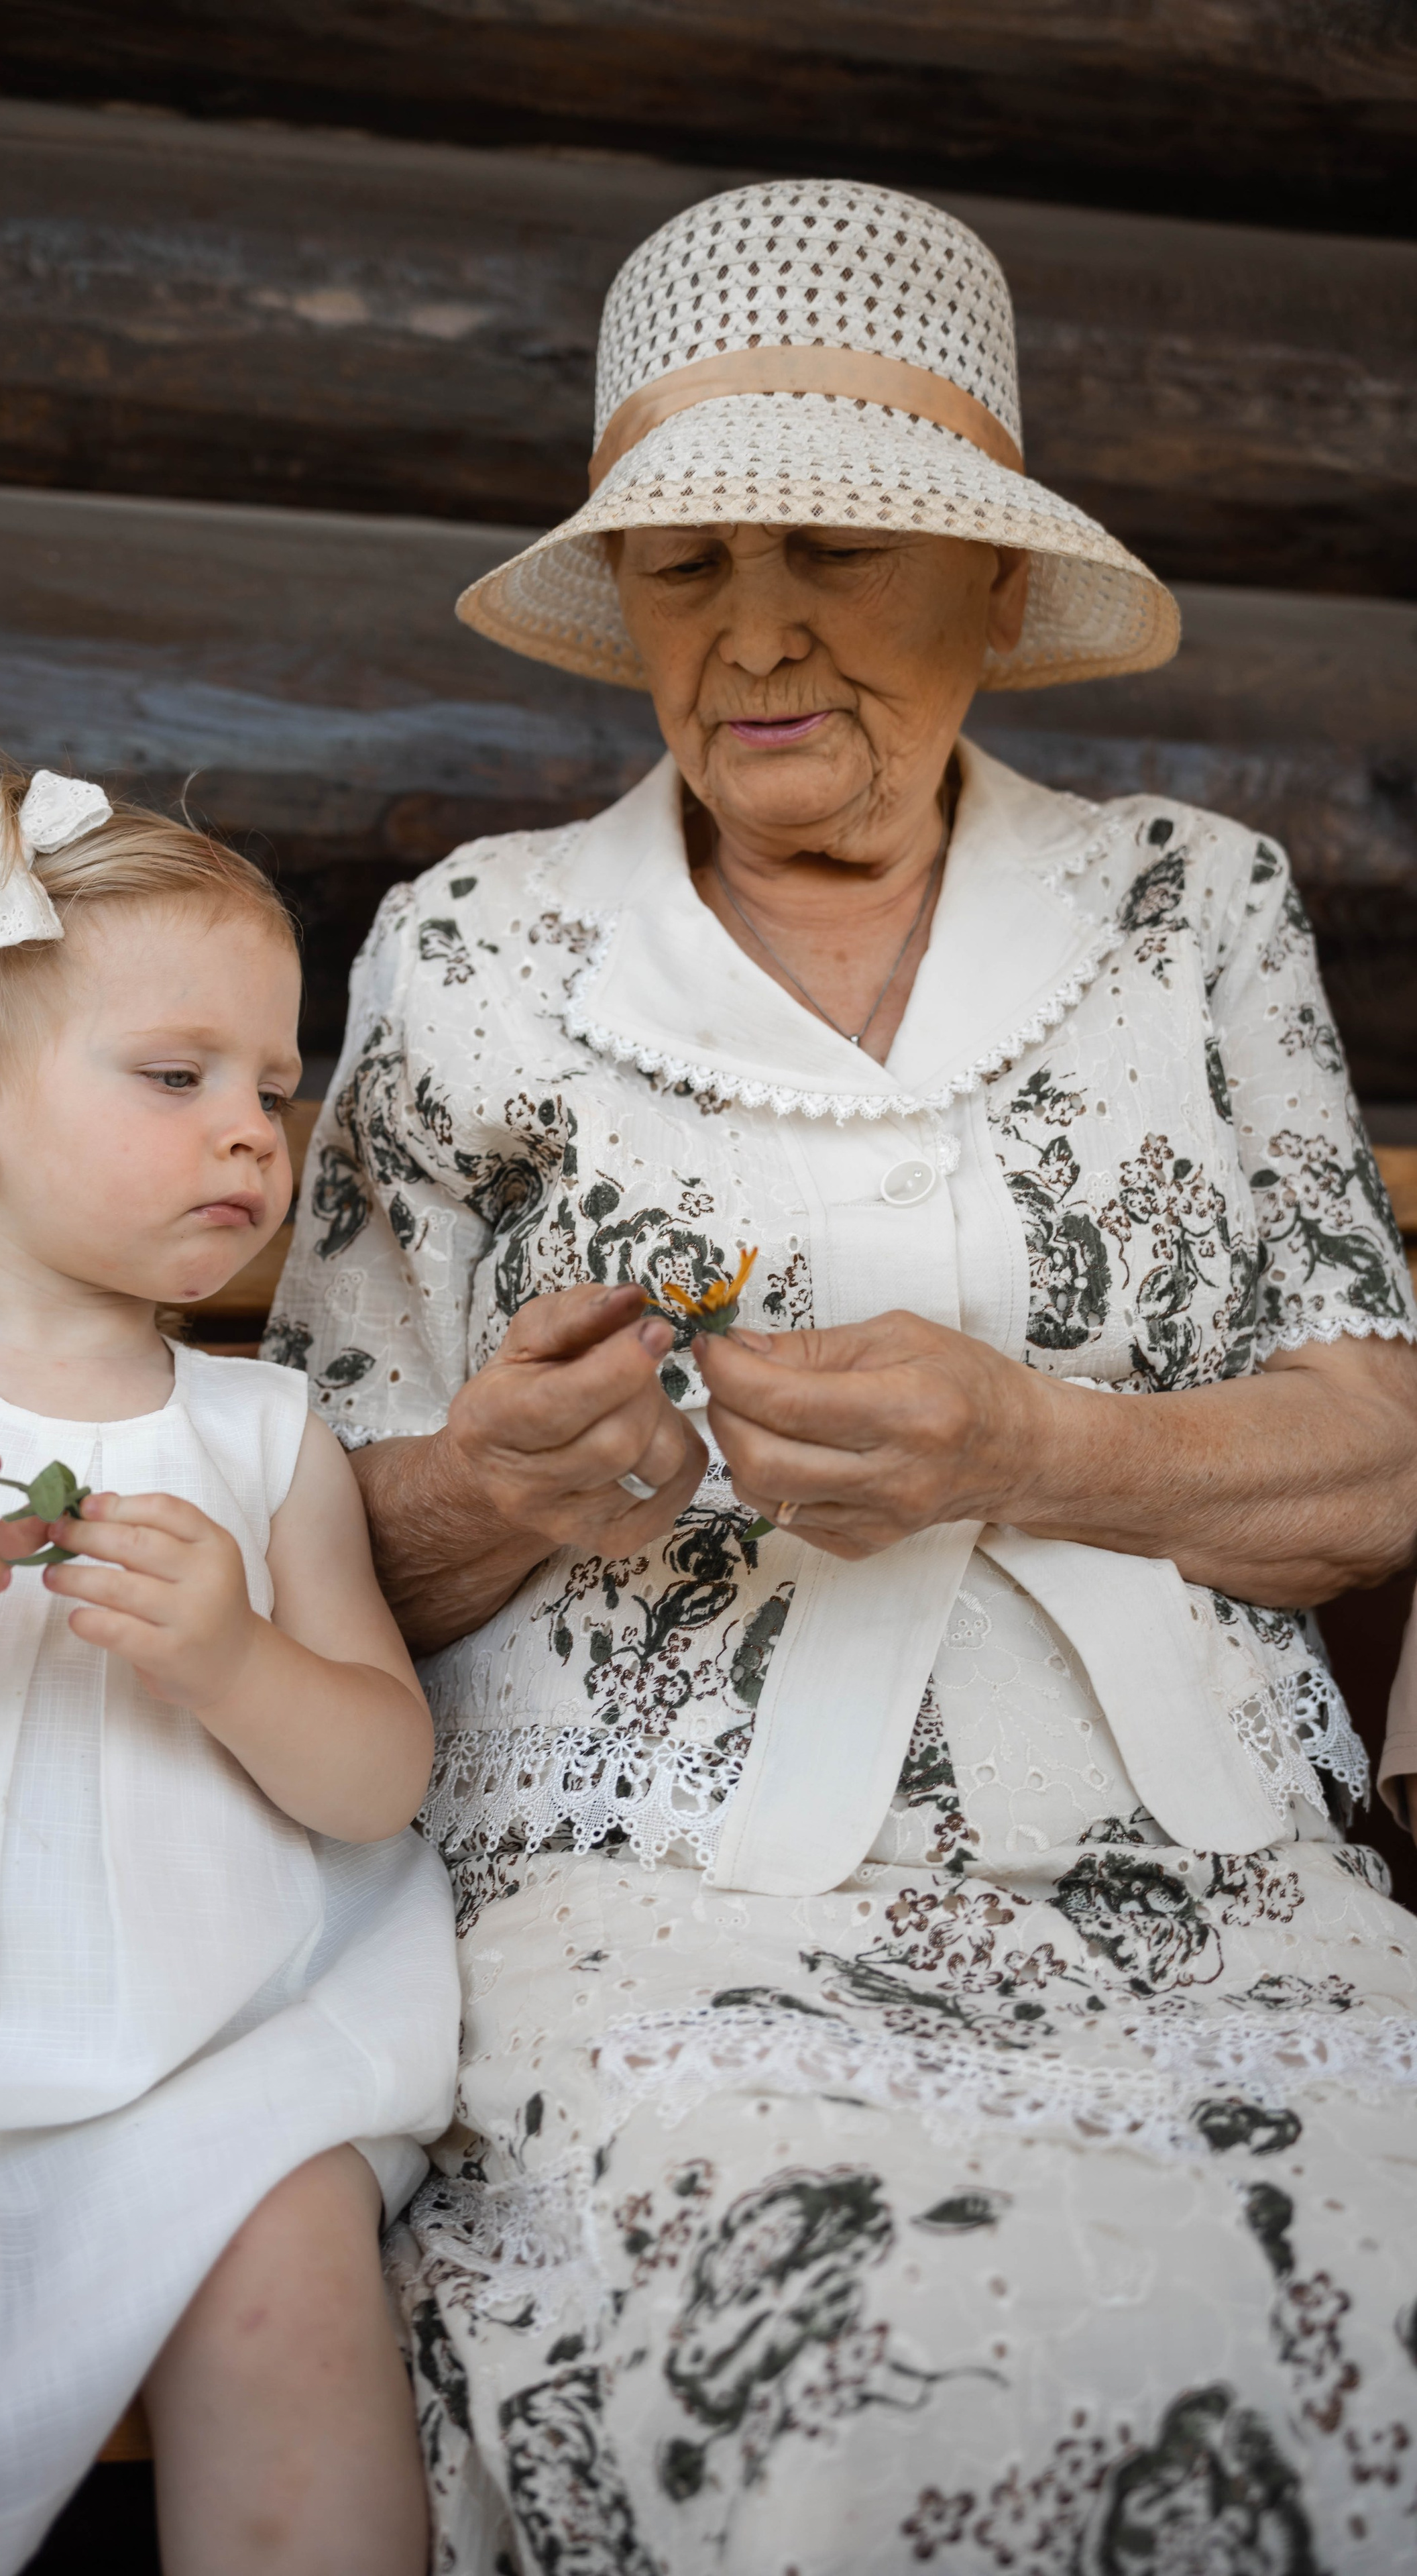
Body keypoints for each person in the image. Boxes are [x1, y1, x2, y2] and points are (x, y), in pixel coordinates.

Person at [270, 180, 1417, 2569]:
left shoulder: (1193, 909)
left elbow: (1372, 1462)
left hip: (1215, 1877)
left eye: (836, 545)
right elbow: (316, 1546)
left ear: (993, 583)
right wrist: (496, 1482)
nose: (757, 629)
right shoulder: (475, 948)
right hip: (658, 1899)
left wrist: (1037, 1443)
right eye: (685, 562)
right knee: (870, 2346)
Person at [0, 743, 457, 2576]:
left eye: (276, 1084)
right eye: (179, 1077)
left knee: (290, 2277)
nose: (254, 1130)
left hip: (209, 2060)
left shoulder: (265, 1435)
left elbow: (381, 1778)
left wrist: (235, 1662)